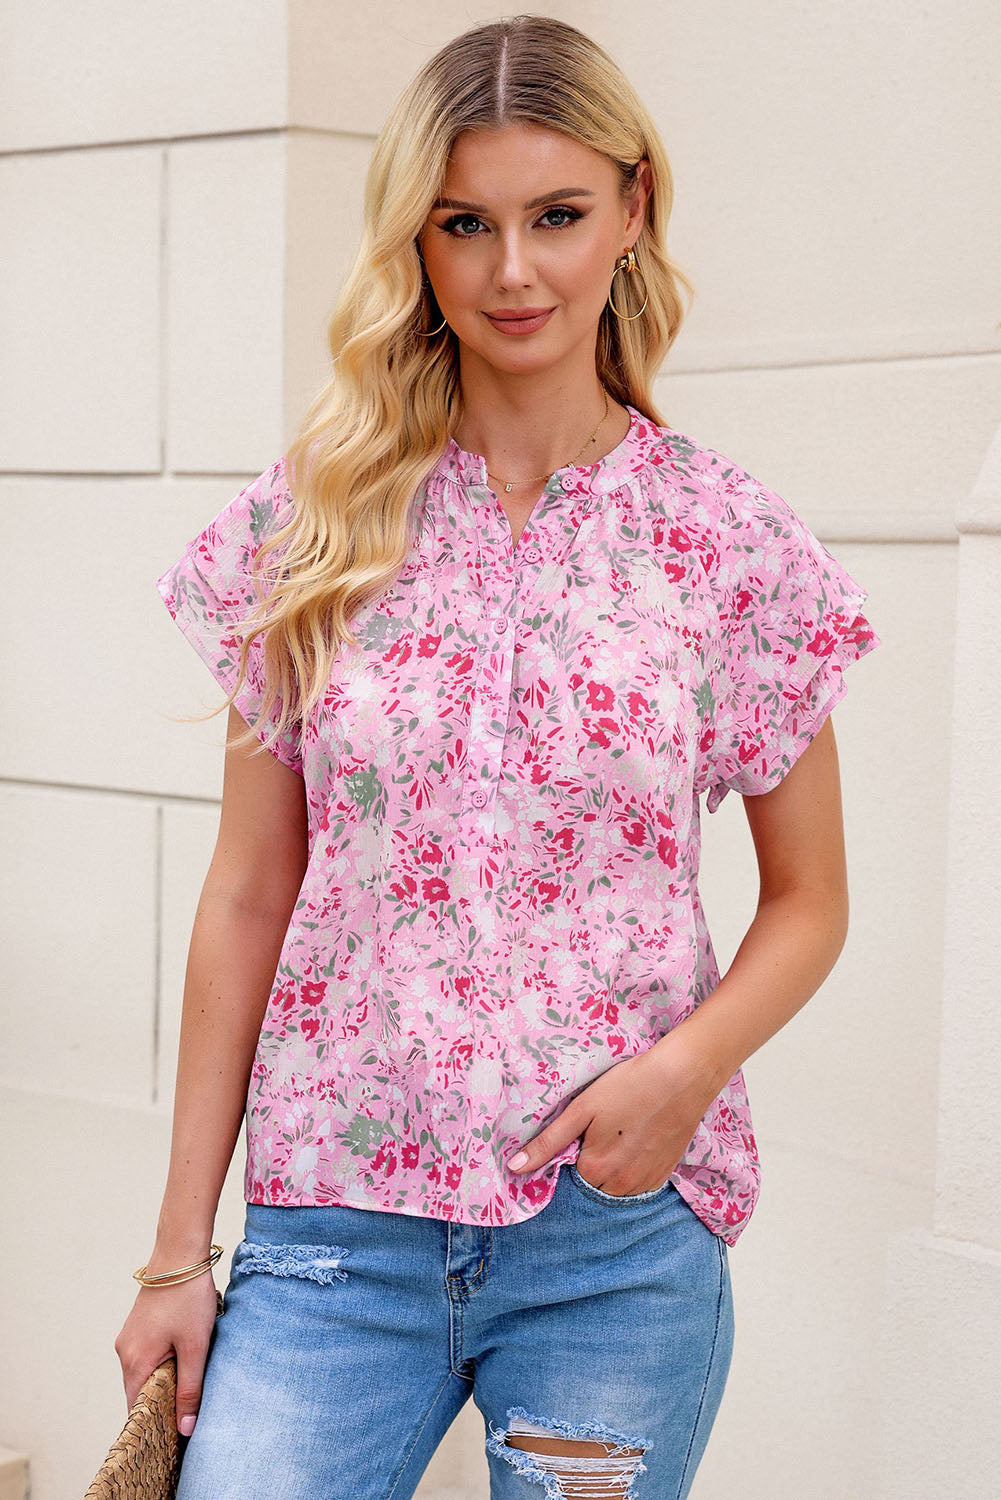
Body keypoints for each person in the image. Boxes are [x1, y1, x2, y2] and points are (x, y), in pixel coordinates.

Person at [114, 14, 881, 1499]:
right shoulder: (313, 526)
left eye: (557, 215)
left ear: (632, 209)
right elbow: (247, 894)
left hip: (613, 1248)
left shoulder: (729, 543)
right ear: (415, 237)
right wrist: (174, 1254)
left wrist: (683, 1074)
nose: (512, 270)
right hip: (333, 1238)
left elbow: (812, 900)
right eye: (464, 224)